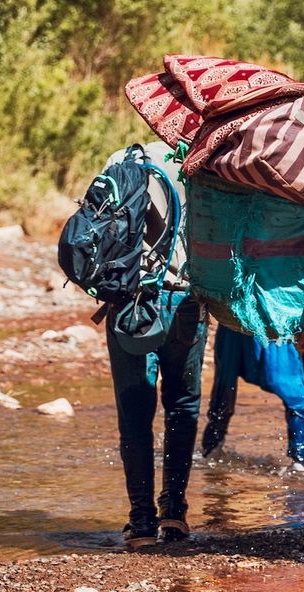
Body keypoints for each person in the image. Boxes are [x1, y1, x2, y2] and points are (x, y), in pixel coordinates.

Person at [103, 142, 208, 550]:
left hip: (129, 304)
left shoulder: (123, 159)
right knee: (182, 406)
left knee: (134, 413)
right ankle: (175, 512)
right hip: (185, 298)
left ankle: (141, 520)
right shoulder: (204, 158)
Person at [201, 323, 304, 470]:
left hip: (267, 319)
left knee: (293, 391)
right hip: (236, 317)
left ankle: (301, 462)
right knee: (224, 386)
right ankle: (212, 448)